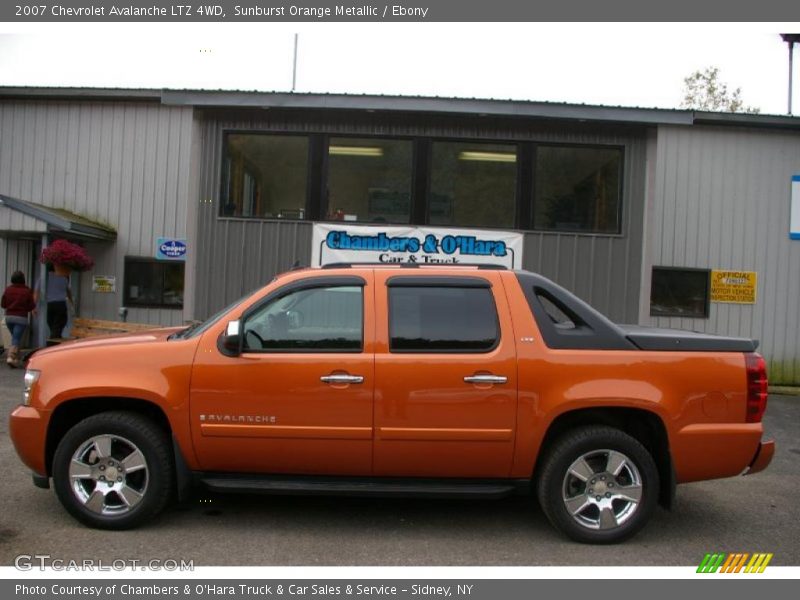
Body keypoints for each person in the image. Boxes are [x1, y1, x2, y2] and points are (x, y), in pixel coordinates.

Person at [2, 271, 36, 368]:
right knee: (16, 338)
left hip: (9, 318)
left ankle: (17, 358)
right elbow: (31, 306)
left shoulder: (8, 290)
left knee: (15, 338)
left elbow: (3, 304)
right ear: (23, 279)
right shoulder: (27, 291)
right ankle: (10, 357)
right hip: (21, 318)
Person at [33, 267, 73, 340]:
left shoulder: (42, 278)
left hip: (49, 305)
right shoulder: (63, 278)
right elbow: (68, 292)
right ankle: (52, 343)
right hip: (60, 304)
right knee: (60, 323)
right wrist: (72, 302)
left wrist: (34, 307)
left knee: (52, 325)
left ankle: (54, 339)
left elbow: (36, 293)